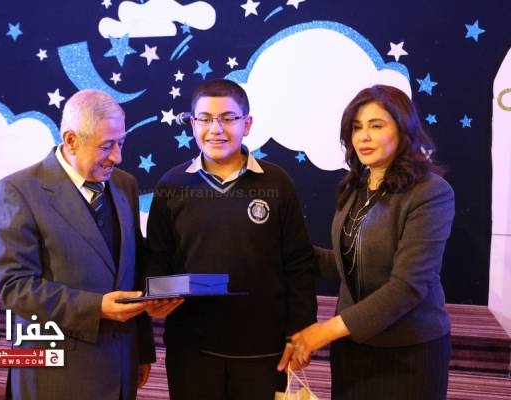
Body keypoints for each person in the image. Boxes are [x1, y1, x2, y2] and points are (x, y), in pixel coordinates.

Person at [0, 89, 180, 400]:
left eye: (121, 143)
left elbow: (131, 265)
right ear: (71, 140)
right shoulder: (17, 191)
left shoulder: (125, 184)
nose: (117, 156)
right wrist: (97, 308)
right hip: (55, 378)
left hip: (122, 369)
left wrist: (144, 348)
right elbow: (15, 287)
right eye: (107, 146)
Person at [278, 84, 455, 400]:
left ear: (403, 130)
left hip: (408, 352)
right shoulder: (355, 186)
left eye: (376, 126)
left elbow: (407, 286)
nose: (363, 137)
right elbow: (351, 263)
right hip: (352, 348)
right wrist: (279, 251)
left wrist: (324, 331)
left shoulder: (430, 192)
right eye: (357, 127)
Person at [144, 79, 317, 400]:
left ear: (246, 124)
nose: (216, 129)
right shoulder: (171, 185)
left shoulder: (277, 183)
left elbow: (299, 263)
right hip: (191, 349)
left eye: (228, 118)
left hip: (264, 350)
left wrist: (300, 330)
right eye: (205, 119)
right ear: (193, 124)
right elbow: (157, 256)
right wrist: (156, 295)